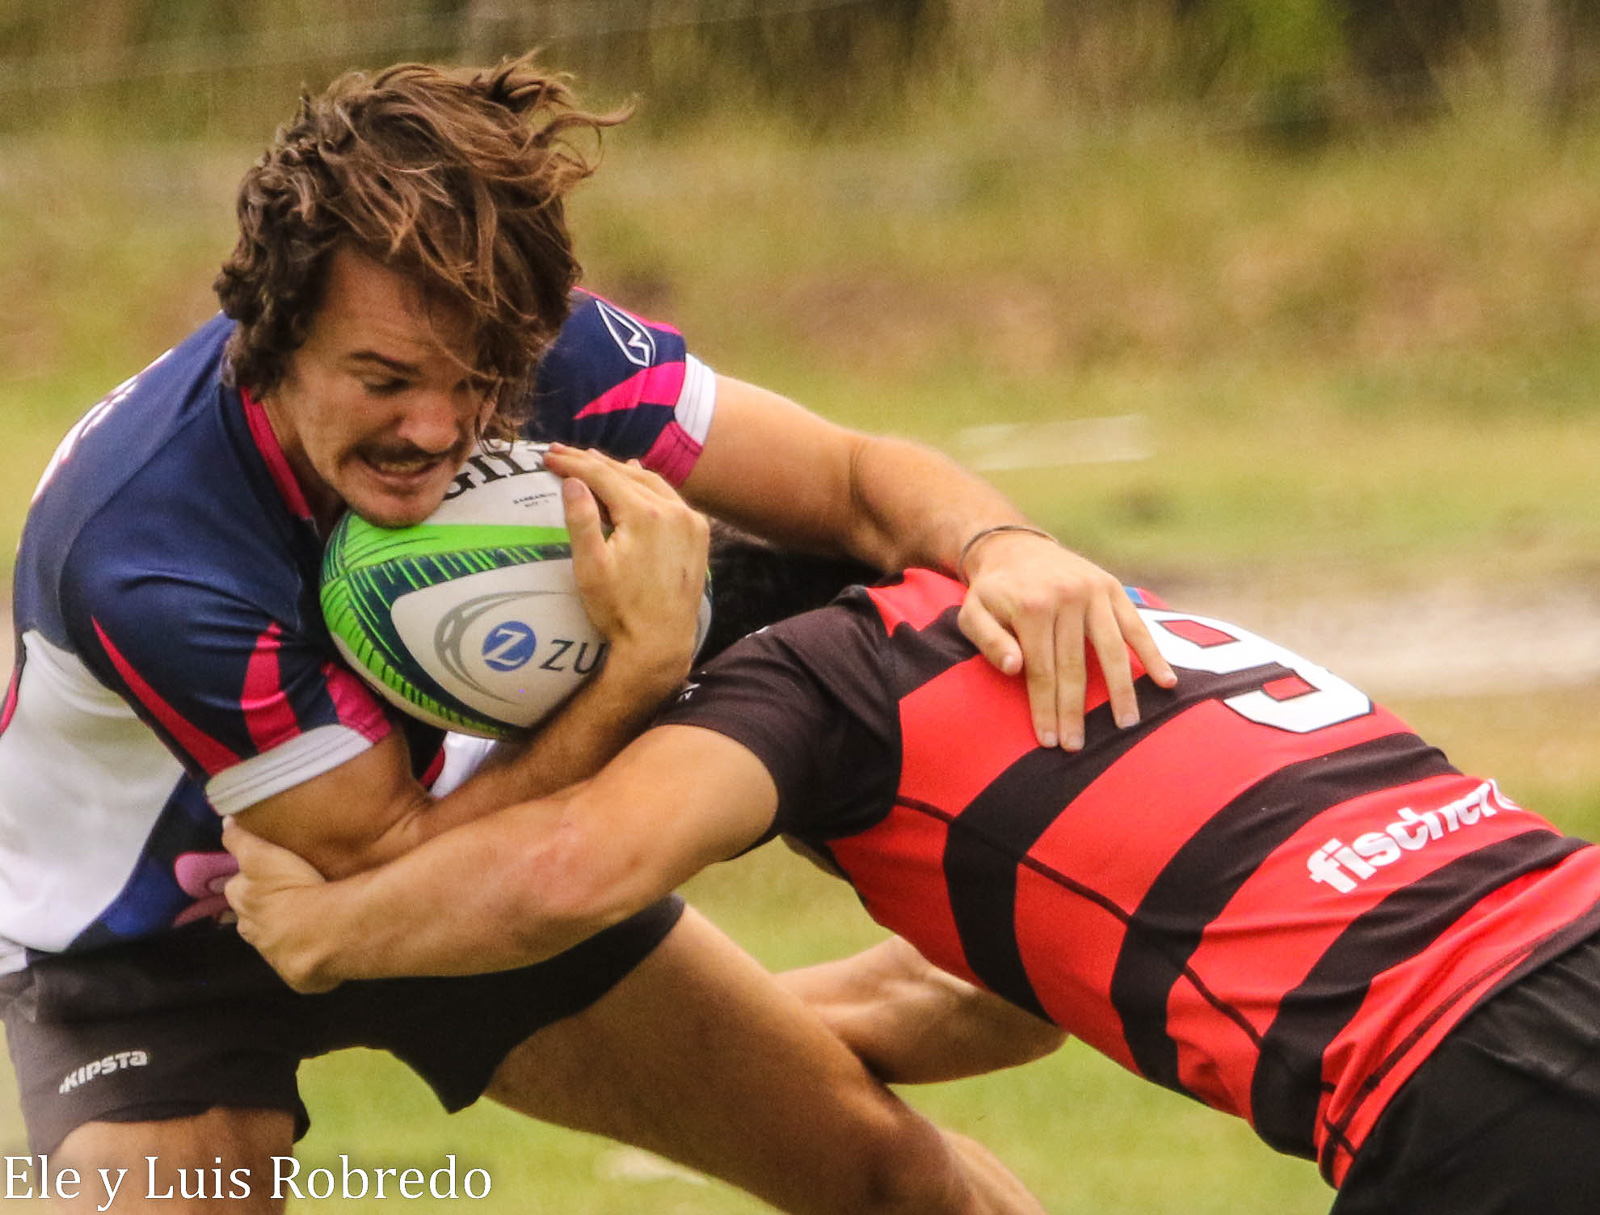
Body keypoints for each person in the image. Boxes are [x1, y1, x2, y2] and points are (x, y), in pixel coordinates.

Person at [0, 52, 1184, 1213]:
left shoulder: (533, 344)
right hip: (148, 955)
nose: (438, 426)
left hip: (462, 839)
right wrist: (641, 673)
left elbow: (854, 481)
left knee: (895, 1183)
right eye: (383, 378)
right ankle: (801, 1026)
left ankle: (777, 1035)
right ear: (271, 329)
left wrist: (1005, 549)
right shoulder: (152, 548)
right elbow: (379, 864)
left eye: (478, 382)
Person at [226, 534, 1600, 1214]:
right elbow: (993, 1003)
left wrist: (329, 928)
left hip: (1470, 1066)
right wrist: (698, 1051)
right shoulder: (1032, 614)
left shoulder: (811, 671)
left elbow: (586, 862)